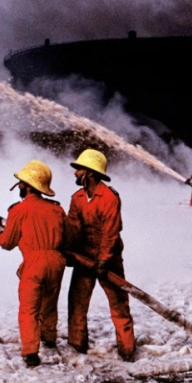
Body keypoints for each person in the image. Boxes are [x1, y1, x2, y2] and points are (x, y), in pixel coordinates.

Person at [65, 149, 136, 361]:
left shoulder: (109, 198)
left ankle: (127, 351)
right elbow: (73, 228)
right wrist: (68, 249)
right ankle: (77, 347)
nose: (75, 173)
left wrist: (104, 259)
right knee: (77, 304)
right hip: (84, 257)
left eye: (79, 169)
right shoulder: (77, 198)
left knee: (119, 305)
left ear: (90, 172)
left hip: (110, 259)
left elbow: (111, 231)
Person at [0, 160, 67, 368]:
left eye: (22, 182)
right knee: (50, 303)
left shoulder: (19, 210)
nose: (19, 185)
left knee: (29, 309)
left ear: (28, 186)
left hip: (34, 262)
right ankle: (49, 339)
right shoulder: (56, 210)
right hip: (56, 261)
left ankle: (31, 353)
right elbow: (69, 238)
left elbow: (7, 243)